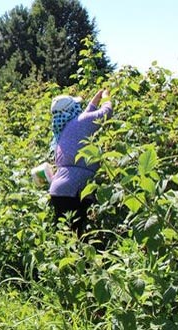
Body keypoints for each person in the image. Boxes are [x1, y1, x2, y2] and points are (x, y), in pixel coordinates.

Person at [48, 89, 112, 237]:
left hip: (59, 191)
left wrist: (96, 98)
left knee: (66, 237)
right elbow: (106, 113)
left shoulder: (64, 127)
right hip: (73, 192)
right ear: (71, 109)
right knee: (79, 238)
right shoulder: (79, 123)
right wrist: (107, 97)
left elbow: (87, 114)